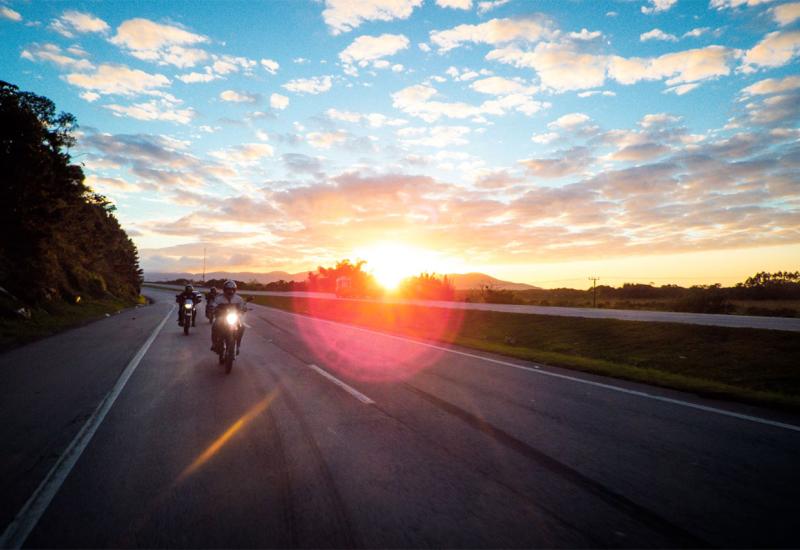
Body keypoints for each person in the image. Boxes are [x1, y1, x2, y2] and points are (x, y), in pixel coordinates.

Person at [210, 280, 246, 353]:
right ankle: (214, 343)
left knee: (242, 327)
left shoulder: (238, 298)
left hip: (234, 317)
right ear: (224, 289)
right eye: (228, 289)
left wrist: (244, 309)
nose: (230, 291)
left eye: (232, 289)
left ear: (235, 290)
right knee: (215, 325)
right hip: (221, 317)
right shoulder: (219, 298)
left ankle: (238, 345)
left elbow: (242, 306)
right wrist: (212, 308)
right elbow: (213, 305)